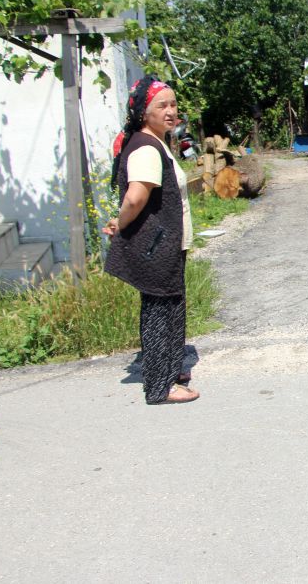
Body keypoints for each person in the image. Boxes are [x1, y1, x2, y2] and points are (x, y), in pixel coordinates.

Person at [104, 76, 198, 405]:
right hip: (157, 246)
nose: (171, 111)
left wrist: (120, 221)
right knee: (159, 312)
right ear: (145, 112)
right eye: (163, 105)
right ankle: (160, 386)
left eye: (173, 105)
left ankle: (172, 373)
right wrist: (123, 222)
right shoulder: (146, 147)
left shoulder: (154, 142)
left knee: (169, 308)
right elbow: (135, 198)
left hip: (164, 243)